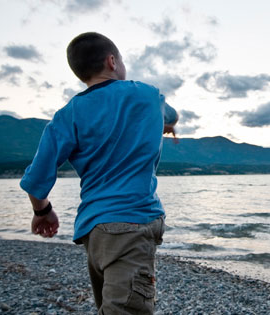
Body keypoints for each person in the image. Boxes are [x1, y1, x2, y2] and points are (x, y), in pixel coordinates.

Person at [20, 32, 178, 314]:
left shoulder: (68, 114)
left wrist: (43, 212)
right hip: (133, 222)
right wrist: (165, 124)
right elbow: (172, 115)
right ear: (112, 61)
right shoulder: (147, 95)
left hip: (94, 230)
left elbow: (37, 179)